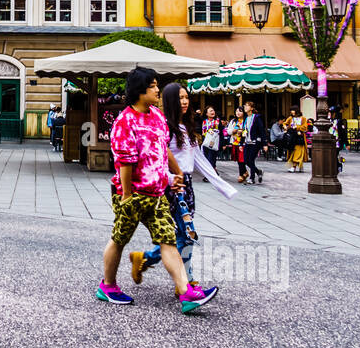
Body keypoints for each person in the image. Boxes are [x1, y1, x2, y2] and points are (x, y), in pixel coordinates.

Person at [96, 67, 214, 313]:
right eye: (153, 86)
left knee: (168, 240)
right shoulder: (125, 122)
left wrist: (175, 173)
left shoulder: (158, 117)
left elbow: (163, 149)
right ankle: (107, 286)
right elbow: (125, 161)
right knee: (119, 239)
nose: (157, 90)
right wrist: (126, 196)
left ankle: (186, 293)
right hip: (132, 194)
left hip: (157, 193)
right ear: (140, 91)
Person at [135, 82, 232, 290]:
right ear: (170, 100)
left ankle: (146, 258)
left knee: (178, 235)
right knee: (187, 233)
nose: (185, 101)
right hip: (172, 186)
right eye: (180, 98)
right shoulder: (166, 128)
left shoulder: (186, 127)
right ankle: (186, 282)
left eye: (187, 97)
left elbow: (199, 160)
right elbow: (158, 159)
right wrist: (171, 180)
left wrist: (222, 186)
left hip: (186, 185)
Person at [242, 100, 266, 184]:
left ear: (252, 108)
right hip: (247, 141)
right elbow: (244, 130)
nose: (245, 107)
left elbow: (262, 130)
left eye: (247, 106)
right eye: (245, 105)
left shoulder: (256, 117)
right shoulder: (245, 118)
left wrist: (264, 144)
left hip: (255, 141)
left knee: (251, 159)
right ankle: (258, 171)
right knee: (246, 160)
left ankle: (252, 178)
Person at [285, 107, 307, 172]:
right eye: (291, 111)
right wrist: (286, 127)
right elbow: (285, 124)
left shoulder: (303, 118)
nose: (292, 112)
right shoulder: (290, 118)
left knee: (298, 151)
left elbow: (305, 127)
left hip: (300, 137)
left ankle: (294, 167)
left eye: (293, 110)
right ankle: (300, 165)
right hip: (292, 137)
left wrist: (297, 127)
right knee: (292, 151)